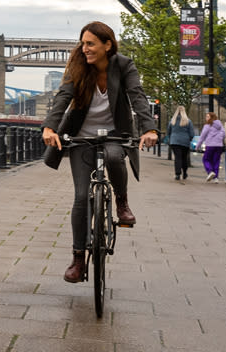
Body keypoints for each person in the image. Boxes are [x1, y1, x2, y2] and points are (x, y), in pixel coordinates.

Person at [40, 21, 159, 284]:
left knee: (116, 157)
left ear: (107, 45)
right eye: (82, 43)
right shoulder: (78, 65)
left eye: (90, 44)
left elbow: (137, 96)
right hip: (82, 136)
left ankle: (122, 201)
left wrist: (149, 128)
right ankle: (78, 259)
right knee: (81, 197)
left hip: (115, 134)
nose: (84, 49)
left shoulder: (124, 65)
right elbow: (63, 96)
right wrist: (50, 127)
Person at [167, 105, 196, 182]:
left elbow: (168, 131)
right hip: (185, 142)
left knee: (177, 158)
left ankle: (177, 174)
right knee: (184, 158)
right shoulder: (188, 121)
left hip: (174, 141)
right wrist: (189, 139)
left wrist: (171, 138)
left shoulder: (172, 121)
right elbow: (192, 134)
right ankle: (185, 173)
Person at [197, 111, 225, 182]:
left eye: (207, 116)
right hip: (219, 145)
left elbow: (202, 136)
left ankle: (210, 171)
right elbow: (224, 134)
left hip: (210, 145)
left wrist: (198, 146)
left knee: (206, 159)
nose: (206, 118)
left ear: (211, 117)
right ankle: (216, 178)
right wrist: (219, 138)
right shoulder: (220, 125)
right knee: (216, 161)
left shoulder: (207, 125)